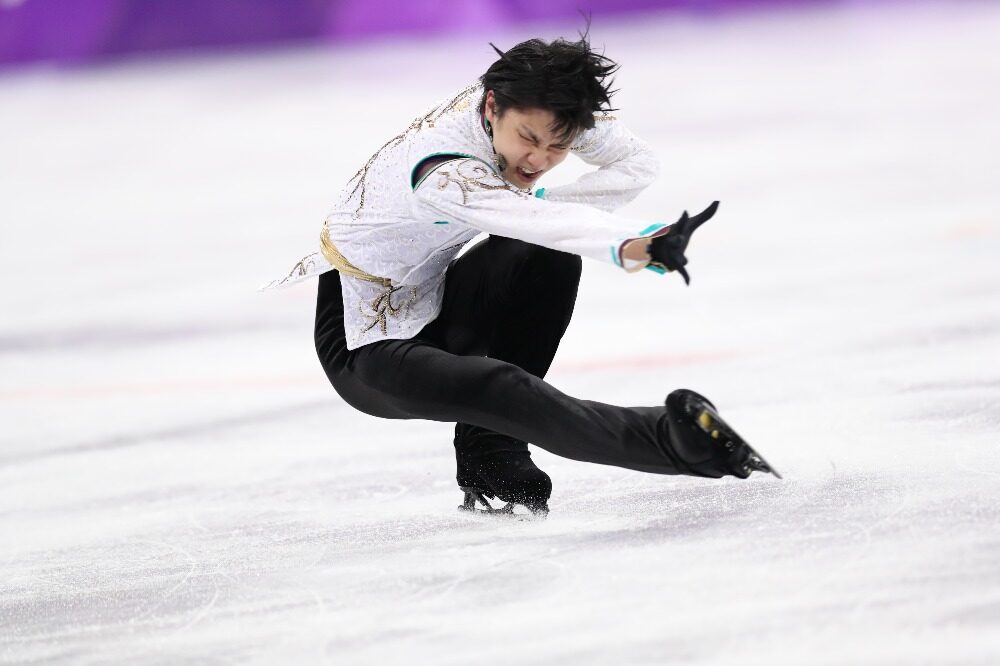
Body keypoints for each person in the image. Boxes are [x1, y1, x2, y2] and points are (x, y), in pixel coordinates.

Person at [262, 33, 778, 517]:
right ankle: (669, 441)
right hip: (366, 349)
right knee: (500, 383)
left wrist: (555, 197)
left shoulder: (536, 106)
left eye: (559, 146)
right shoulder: (442, 169)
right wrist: (635, 243)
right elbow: (523, 216)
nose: (539, 159)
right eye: (527, 139)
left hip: (438, 299)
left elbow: (634, 164)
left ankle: (490, 451)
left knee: (546, 254)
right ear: (491, 106)